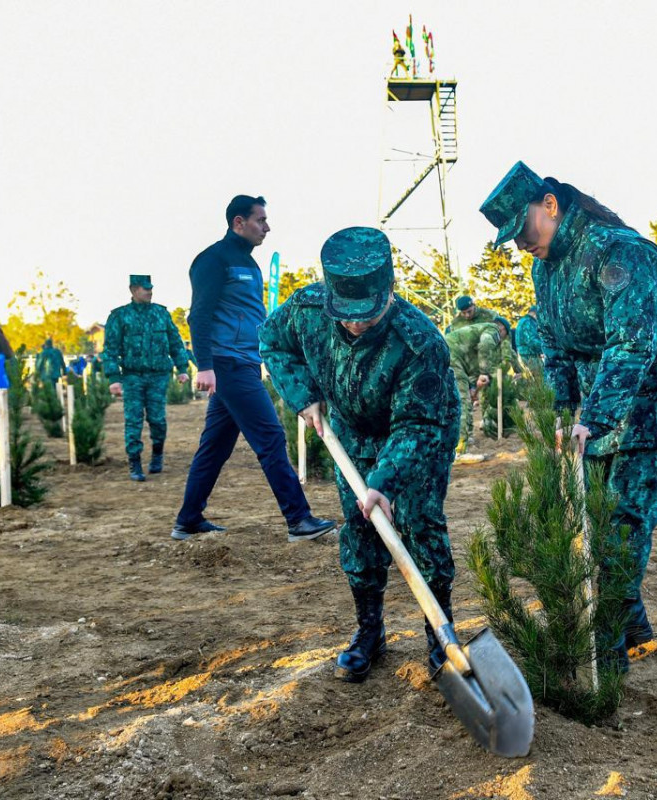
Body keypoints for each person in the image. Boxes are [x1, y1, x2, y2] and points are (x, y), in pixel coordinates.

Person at [480, 161, 657, 669]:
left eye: (522, 229)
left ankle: (611, 642)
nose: (520, 245)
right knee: (595, 516)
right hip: (597, 404)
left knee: (625, 520)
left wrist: (592, 416)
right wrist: (561, 408)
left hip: (650, 400)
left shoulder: (621, 252)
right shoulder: (545, 268)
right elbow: (553, 344)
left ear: (549, 205)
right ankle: (635, 620)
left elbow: (633, 342)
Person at [260, 226, 460, 682]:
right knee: (360, 527)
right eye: (345, 313)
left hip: (417, 432)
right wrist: (303, 394)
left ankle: (439, 634)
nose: (354, 324)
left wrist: (384, 482)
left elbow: (417, 424)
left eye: (364, 314)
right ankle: (369, 630)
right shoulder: (306, 309)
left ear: (388, 290)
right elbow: (271, 341)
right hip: (349, 433)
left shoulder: (419, 343)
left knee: (421, 525)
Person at [174, 194, 334, 542]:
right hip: (227, 364)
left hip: (244, 361)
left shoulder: (249, 263)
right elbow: (198, 314)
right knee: (271, 438)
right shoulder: (213, 260)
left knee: (214, 447)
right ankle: (298, 519)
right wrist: (205, 365)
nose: (267, 226)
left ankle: (188, 519)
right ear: (238, 222)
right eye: (260, 220)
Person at [103, 274, 191, 481]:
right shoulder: (120, 316)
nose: (149, 291)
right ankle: (134, 462)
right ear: (133, 290)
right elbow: (110, 349)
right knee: (133, 419)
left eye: (150, 288)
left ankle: (157, 455)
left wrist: (182, 368)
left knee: (158, 419)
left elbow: (176, 342)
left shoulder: (161, 314)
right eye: (145, 288)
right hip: (132, 376)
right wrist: (113, 378)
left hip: (159, 376)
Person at [443, 321, 501, 454]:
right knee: (462, 401)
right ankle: (460, 447)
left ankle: (465, 439)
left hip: (447, 354)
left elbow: (471, 364)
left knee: (455, 400)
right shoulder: (492, 328)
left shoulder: (473, 335)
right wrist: (484, 372)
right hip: (451, 356)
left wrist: (474, 386)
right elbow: (485, 345)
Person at [514, 305, 543, 378]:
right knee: (539, 380)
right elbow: (531, 341)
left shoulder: (523, 321)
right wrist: (545, 348)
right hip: (530, 357)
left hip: (525, 356)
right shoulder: (528, 322)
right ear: (535, 314)